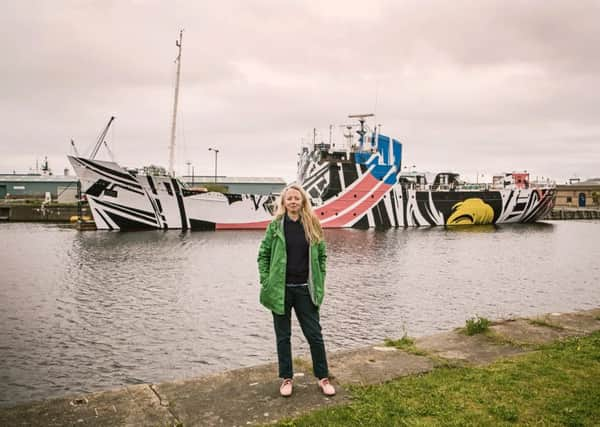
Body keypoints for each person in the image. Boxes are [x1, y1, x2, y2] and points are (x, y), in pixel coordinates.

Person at [257, 184, 335, 397]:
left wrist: (320, 280)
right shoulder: (275, 227)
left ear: (302, 202)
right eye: (289, 198)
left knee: (314, 335)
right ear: (284, 202)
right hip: (280, 291)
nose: (293, 201)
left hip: (305, 290)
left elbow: (322, 257)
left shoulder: (312, 224)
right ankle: (287, 378)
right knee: (283, 336)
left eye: (296, 198)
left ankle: (323, 377)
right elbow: (263, 255)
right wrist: (266, 280)